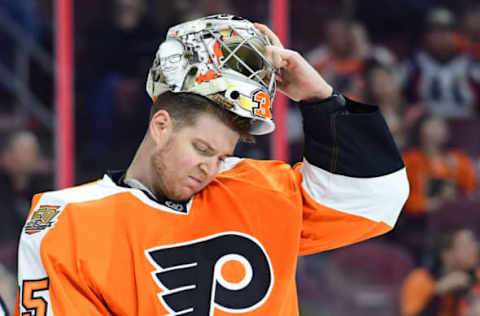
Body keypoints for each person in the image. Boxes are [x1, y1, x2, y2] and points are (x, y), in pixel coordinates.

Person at [14, 15, 409, 316]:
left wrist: (320, 98)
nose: (211, 167)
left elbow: (374, 199)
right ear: (161, 125)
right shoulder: (66, 219)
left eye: (222, 155)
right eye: (201, 148)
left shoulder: (256, 191)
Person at [400, 228, 480, 316]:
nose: (475, 249)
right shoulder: (420, 280)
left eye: (474, 244)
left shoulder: (477, 277)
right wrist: (438, 294)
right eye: (466, 246)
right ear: (446, 254)